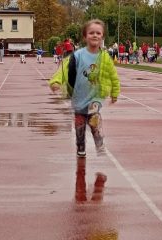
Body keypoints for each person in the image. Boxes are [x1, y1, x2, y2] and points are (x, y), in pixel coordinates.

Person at [49, 19, 120, 158]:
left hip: (96, 96)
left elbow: (113, 76)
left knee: (94, 118)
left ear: (102, 37)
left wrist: (114, 93)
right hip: (79, 96)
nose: (95, 35)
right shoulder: (77, 55)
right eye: (91, 32)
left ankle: (99, 142)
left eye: (98, 33)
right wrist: (56, 81)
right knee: (80, 123)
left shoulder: (105, 57)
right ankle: (80, 145)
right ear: (85, 36)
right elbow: (64, 69)